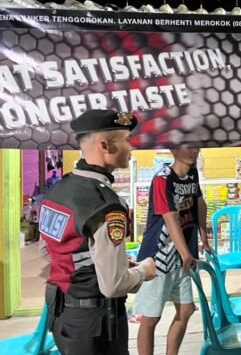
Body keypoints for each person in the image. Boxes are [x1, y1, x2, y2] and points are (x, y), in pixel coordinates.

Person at [39, 109, 157, 355]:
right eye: (127, 140)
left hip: (63, 318)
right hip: (97, 326)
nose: (131, 148)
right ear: (105, 145)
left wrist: (100, 263)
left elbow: (48, 251)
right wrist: (143, 271)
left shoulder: (59, 189)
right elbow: (113, 285)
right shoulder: (105, 204)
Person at [134, 147, 211, 355]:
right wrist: (186, 254)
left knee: (186, 309)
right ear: (174, 150)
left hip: (183, 255)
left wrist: (204, 236)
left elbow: (199, 202)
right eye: (187, 146)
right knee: (151, 318)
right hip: (157, 256)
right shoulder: (162, 179)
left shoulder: (192, 173)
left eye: (195, 146)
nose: (194, 150)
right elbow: (170, 218)